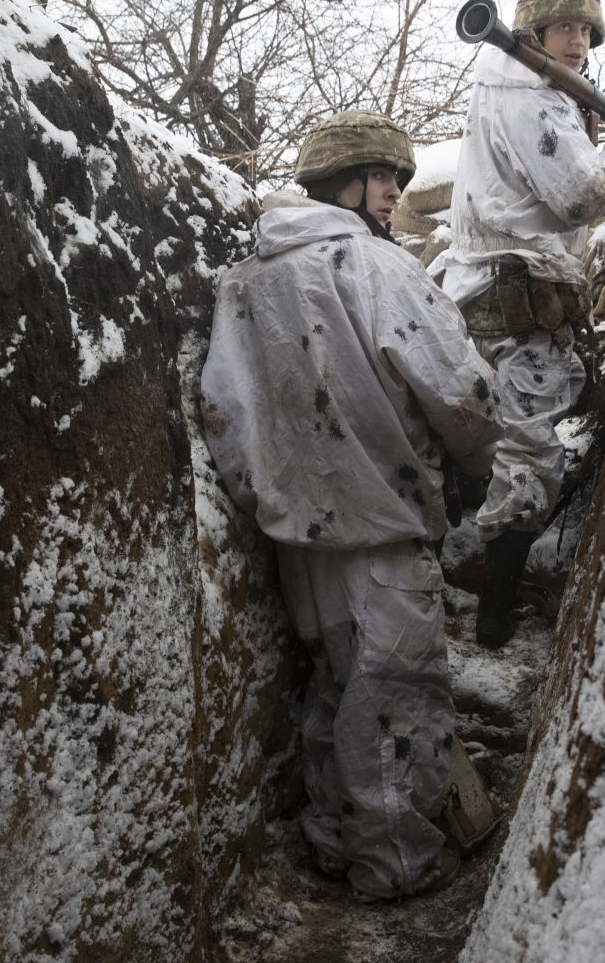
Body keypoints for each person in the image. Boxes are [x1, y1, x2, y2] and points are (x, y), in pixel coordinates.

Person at [200, 110, 504, 902]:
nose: (394, 194)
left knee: (335, 687)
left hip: (299, 539)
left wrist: (267, 501)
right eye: (383, 177)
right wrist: (476, 461)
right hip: (384, 528)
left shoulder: (242, 281)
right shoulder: (376, 268)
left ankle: (335, 839)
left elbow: (227, 414)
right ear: (344, 181)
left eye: (400, 181)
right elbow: (460, 390)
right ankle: (396, 862)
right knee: (397, 697)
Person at [431, 0, 605, 650]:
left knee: (478, 435)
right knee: (528, 460)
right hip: (519, 300)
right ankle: (493, 617)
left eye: (587, 30)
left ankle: (457, 572)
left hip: (483, 291)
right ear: (533, 35)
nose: (578, 40)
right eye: (565, 28)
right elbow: (581, 196)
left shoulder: (512, 89)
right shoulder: (528, 95)